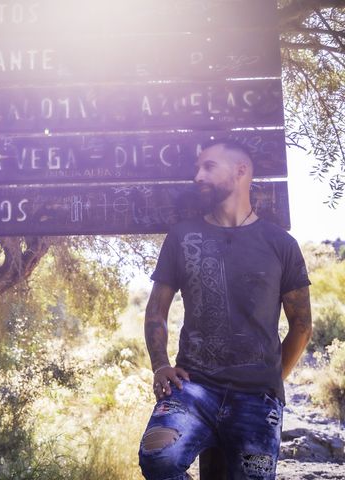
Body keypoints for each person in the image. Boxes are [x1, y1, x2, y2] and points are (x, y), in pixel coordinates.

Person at [138, 140, 312, 479]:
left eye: (209, 166)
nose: (198, 176)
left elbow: (302, 325)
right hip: (193, 388)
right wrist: (160, 364)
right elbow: (156, 311)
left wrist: (270, 382)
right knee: (158, 458)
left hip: (256, 399)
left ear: (241, 171)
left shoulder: (281, 244)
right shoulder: (182, 235)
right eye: (196, 169)